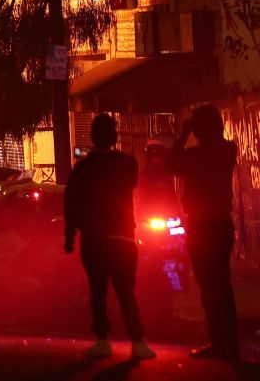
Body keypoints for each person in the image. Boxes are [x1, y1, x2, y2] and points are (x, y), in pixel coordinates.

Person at [63, 114, 156, 361]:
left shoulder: (83, 168)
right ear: (115, 136)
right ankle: (137, 341)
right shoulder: (127, 164)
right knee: (126, 292)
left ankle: (102, 340)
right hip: (123, 237)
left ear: (93, 137)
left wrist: (70, 236)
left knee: (98, 291)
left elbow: (71, 203)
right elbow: (132, 185)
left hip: (94, 239)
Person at [167, 105, 240, 361]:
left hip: (203, 226)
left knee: (210, 286)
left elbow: (172, 165)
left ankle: (221, 342)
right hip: (220, 224)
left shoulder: (197, 156)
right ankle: (226, 342)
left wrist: (183, 135)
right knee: (220, 285)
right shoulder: (227, 150)